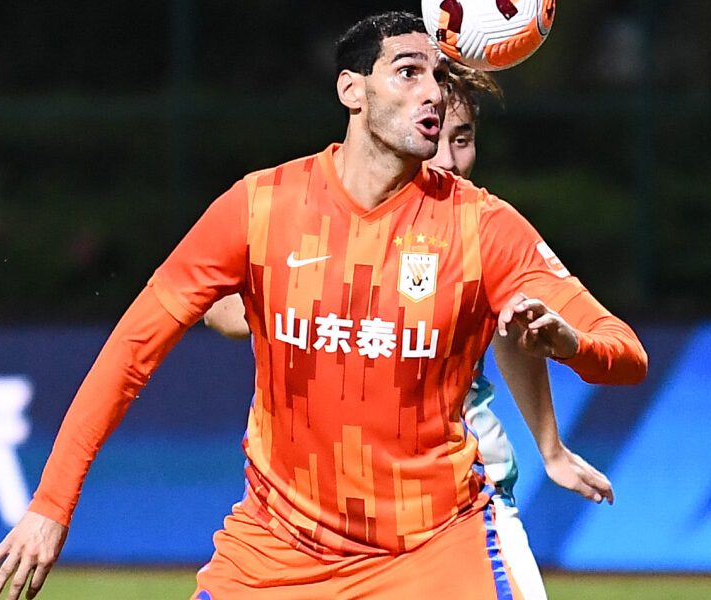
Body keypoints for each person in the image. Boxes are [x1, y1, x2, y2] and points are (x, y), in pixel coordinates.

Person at [0, 11, 647, 600]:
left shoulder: (483, 226)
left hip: (433, 549)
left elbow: (627, 356)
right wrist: (51, 503)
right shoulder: (259, 208)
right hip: (276, 554)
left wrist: (572, 345)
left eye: (437, 78)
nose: (432, 93)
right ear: (351, 91)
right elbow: (131, 351)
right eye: (408, 72)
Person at [201, 61, 615, 600]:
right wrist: (307, 309)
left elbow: (515, 329)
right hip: (329, 513)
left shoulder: (476, 227)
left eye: (463, 139)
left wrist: (550, 447)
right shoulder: (333, 218)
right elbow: (222, 307)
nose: (447, 157)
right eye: (437, 136)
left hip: (461, 494)